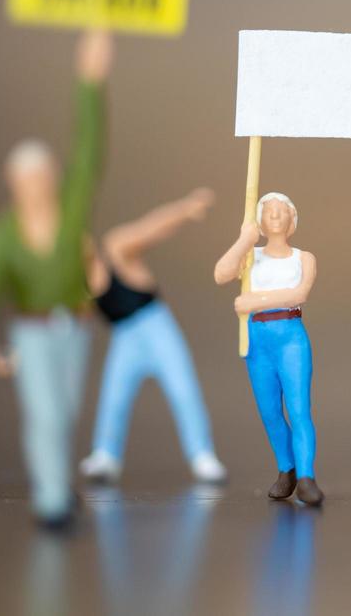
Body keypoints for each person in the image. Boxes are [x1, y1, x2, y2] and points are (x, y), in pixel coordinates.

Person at [0, 29, 112, 529]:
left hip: (75, 328)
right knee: (43, 414)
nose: (37, 187)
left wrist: (90, 81)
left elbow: (89, 151)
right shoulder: (2, 233)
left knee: (63, 415)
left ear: (52, 178)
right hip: (30, 331)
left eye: (43, 176)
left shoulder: (71, 211)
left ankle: (54, 480)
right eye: (27, 180)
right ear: (14, 185)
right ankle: (50, 501)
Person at [78, 188, 228, 485]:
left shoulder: (115, 247)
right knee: (114, 394)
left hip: (156, 326)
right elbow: (63, 321)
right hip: (125, 338)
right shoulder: (76, 283)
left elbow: (151, 228)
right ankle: (106, 455)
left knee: (183, 388)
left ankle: (202, 454)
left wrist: (184, 209)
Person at [214, 192, 323, 506]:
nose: (275, 215)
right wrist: (243, 241)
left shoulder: (304, 258)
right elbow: (221, 274)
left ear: (293, 220)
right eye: (268, 210)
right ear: (259, 221)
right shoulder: (251, 256)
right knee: (270, 413)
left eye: (282, 210)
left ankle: (306, 477)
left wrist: (255, 301)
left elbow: (299, 293)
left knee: (299, 408)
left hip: (290, 338)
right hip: (256, 339)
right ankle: (286, 469)